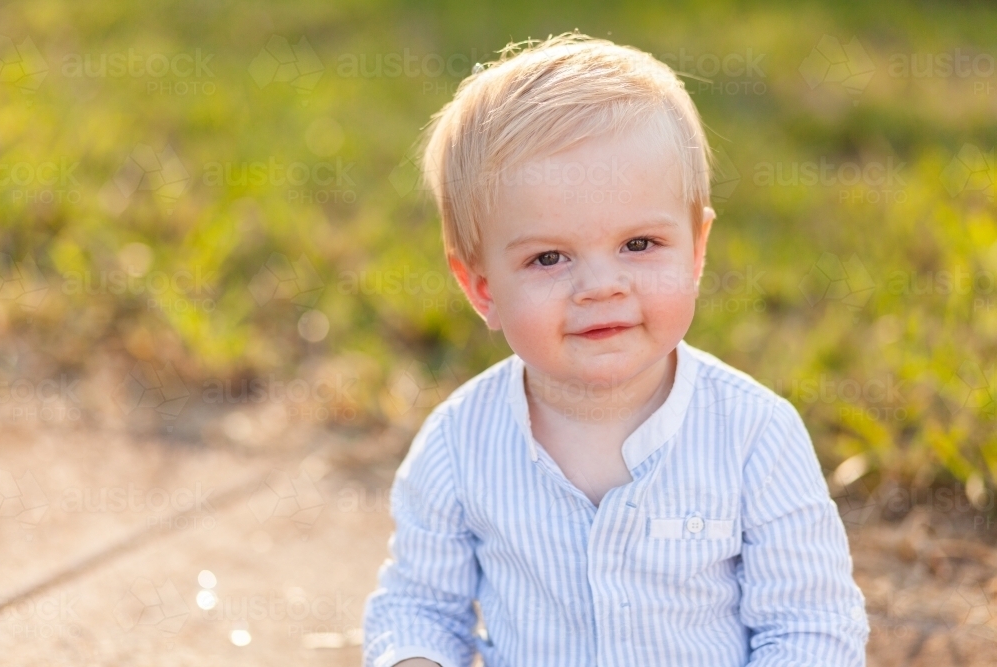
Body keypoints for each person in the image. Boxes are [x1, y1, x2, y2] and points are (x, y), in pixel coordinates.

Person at [363, 32, 870, 667]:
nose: (601, 286)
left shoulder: (753, 436)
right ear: (482, 288)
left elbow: (809, 623)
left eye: (639, 245)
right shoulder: (459, 445)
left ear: (697, 249)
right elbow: (420, 607)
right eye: (549, 257)